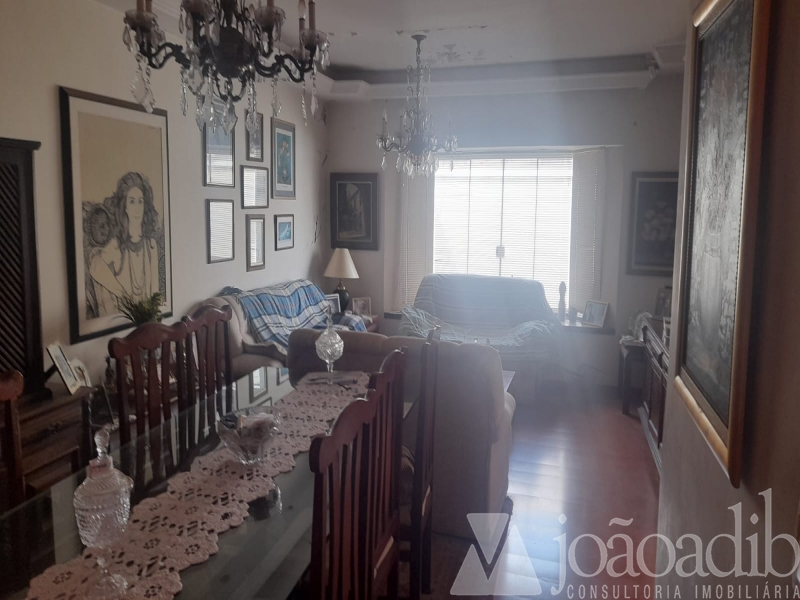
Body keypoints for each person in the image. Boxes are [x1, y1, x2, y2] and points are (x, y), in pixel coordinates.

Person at [89, 172, 161, 317]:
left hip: (146, 320)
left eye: (140, 201)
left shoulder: (151, 246)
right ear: (125, 207)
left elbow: (155, 293)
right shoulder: (117, 245)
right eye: (132, 201)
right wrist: (121, 292)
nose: (137, 208)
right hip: (123, 322)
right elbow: (95, 267)